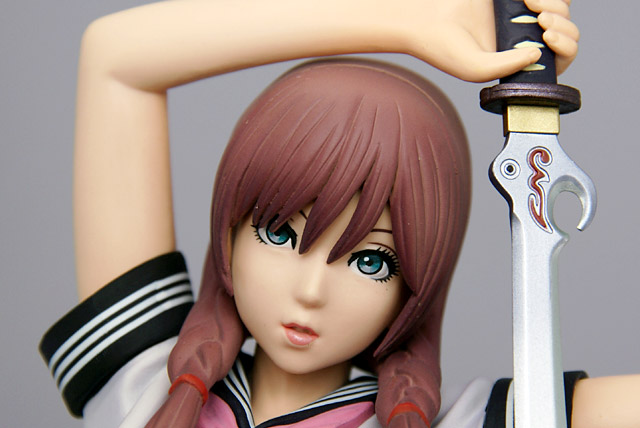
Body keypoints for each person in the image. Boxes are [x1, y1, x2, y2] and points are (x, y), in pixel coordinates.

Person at [41, 0, 640, 427]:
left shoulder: (458, 419)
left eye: (371, 261)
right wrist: (413, 19)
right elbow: (116, 57)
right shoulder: (145, 381)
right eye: (280, 232)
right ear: (229, 232)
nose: (310, 291)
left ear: (416, 286)